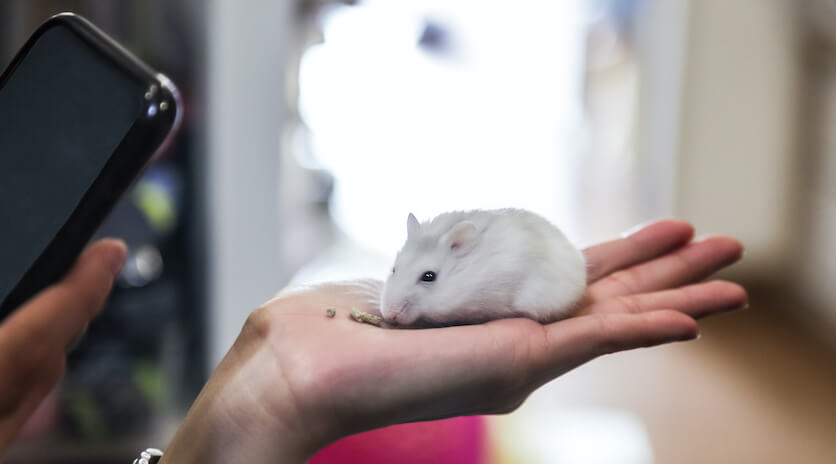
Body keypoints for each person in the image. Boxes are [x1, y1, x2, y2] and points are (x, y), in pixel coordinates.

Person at [0, 220, 746, 462]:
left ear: (459, 253)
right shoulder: (434, 264)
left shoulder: (492, 263)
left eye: (422, 281)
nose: (395, 303)